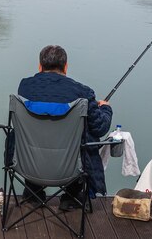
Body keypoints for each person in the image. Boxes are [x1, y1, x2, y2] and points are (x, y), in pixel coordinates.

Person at [18, 45, 113, 211]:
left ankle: (33, 193)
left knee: (25, 133)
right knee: (87, 133)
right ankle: (71, 196)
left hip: (29, 163)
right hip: (71, 167)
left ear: (40, 67)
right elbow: (100, 129)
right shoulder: (83, 92)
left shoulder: (25, 88)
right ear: (66, 67)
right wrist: (105, 108)